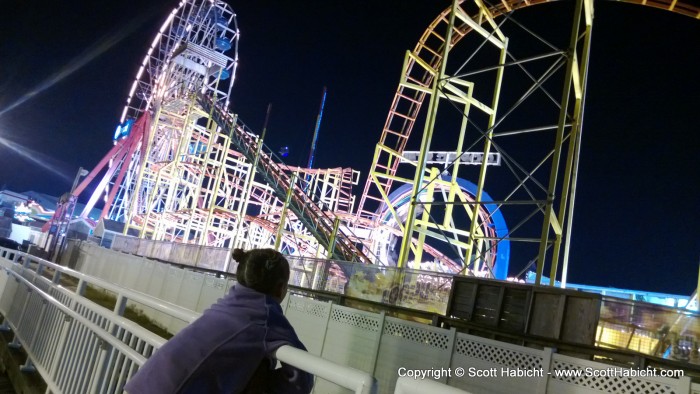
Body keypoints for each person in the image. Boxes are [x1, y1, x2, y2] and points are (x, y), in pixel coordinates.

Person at [124, 248, 314, 393]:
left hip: (142, 384)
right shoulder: (264, 315)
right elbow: (303, 376)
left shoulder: (229, 303)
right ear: (280, 288)